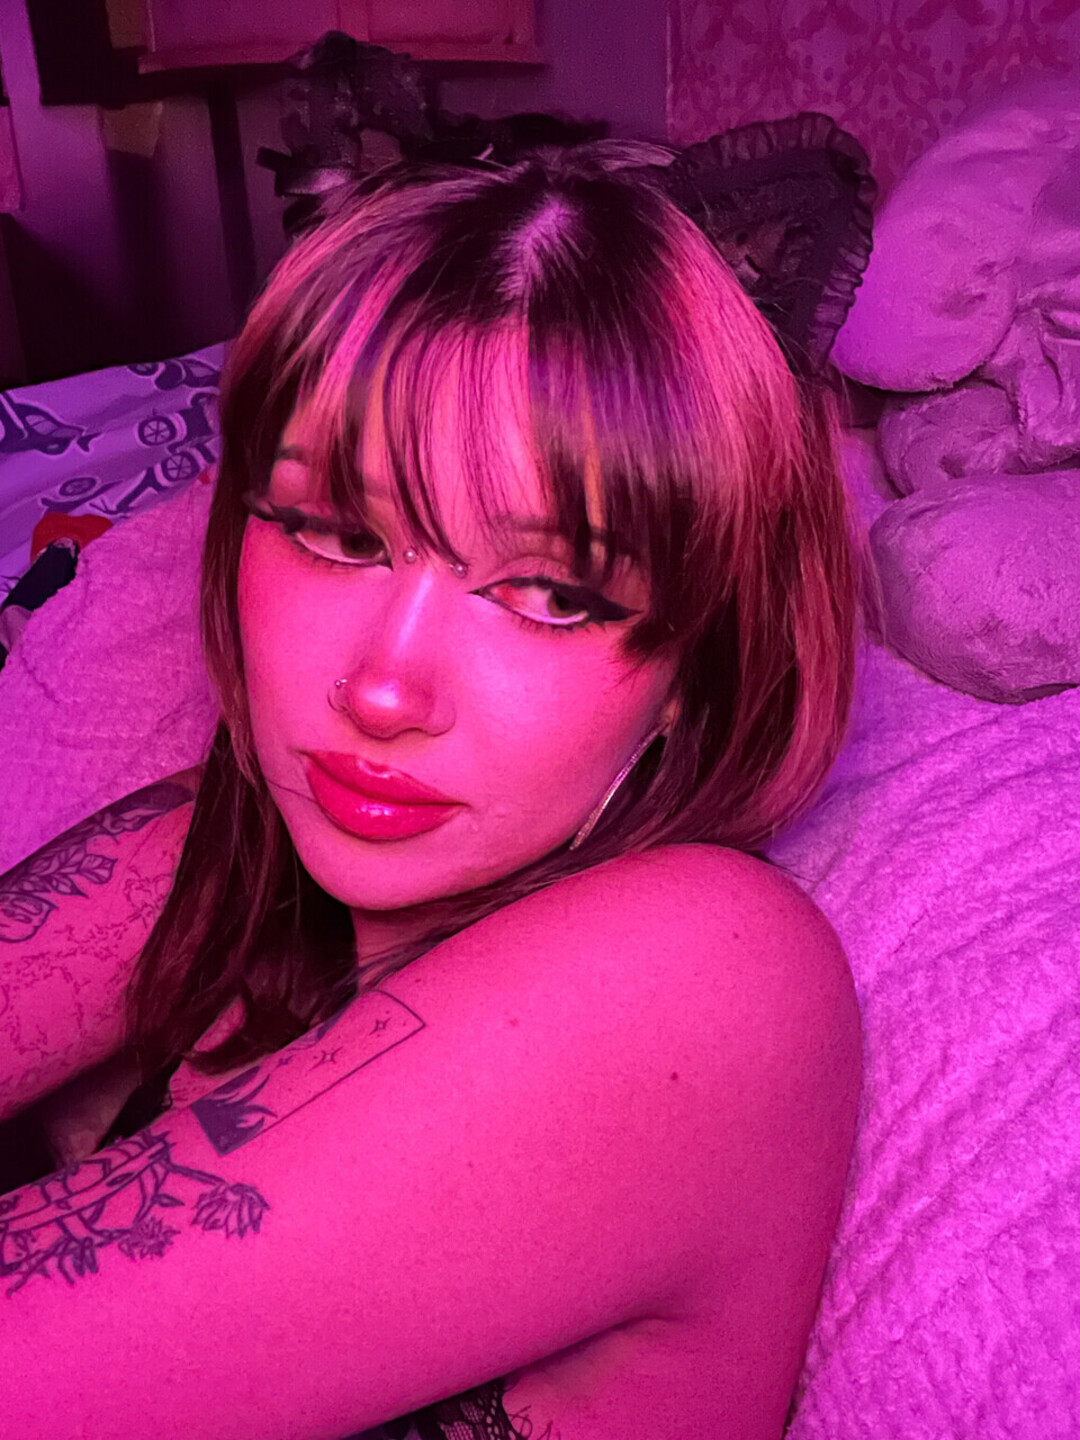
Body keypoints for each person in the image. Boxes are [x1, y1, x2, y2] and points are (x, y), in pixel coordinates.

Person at [0, 140, 869, 1440]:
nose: (385, 689)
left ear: (691, 671)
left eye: (553, 592)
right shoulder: (207, 838)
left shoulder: (710, 975)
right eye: (340, 534)